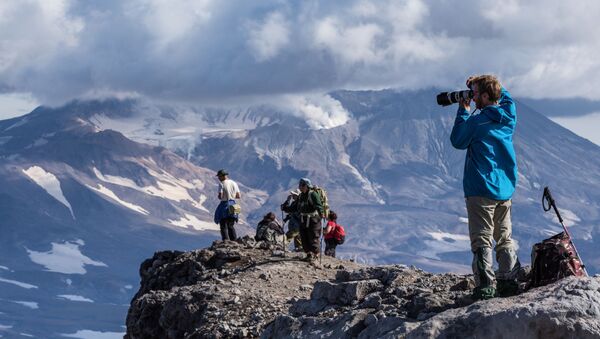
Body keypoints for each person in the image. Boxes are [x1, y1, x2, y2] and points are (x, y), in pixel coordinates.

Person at [450, 75, 521, 300]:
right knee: (504, 237)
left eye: (475, 92)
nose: (472, 96)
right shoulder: (509, 116)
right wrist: (487, 83)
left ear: (483, 95)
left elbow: (458, 141)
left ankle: (486, 287)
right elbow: (506, 97)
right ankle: (509, 283)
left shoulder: (477, 121)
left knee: (482, 240)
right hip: (505, 188)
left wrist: (463, 109)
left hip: (481, 188)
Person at [296, 178, 324, 263]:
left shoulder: (313, 194)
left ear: (307, 186)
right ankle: (308, 254)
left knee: (313, 237)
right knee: (304, 237)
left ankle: (316, 255)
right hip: (303, 219)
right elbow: (297, 207)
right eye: (300, 185)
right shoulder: (301, 195)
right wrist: (286, 208)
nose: (300, 187)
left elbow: (318, 206)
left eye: (302, 185)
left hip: (313, 219)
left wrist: (321, 214)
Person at [213, 169, 241, 241]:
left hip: (224, 205)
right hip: (233, 204)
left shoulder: (221, 184)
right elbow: (238, 196)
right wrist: (231, 196)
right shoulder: (234, 183)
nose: (218, 178)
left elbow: (220, 196)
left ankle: (226, 240)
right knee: (231, 225)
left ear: (222, 176)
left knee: (223, 224)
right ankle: (234, 240)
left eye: (219, 176)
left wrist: (222, 196)